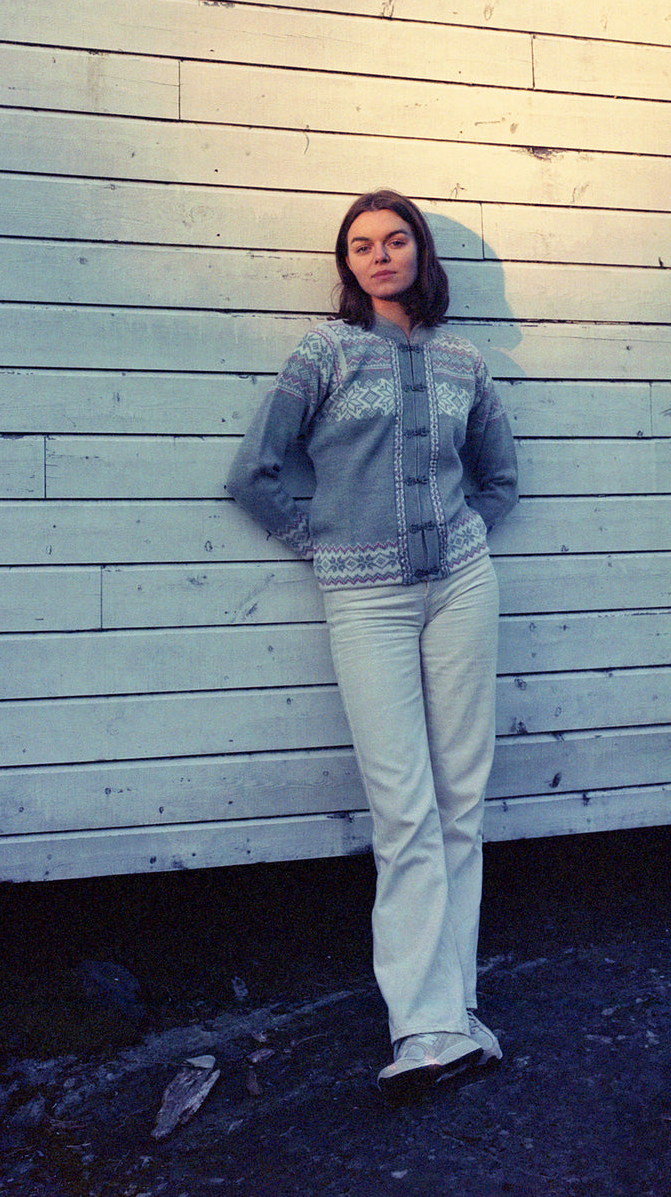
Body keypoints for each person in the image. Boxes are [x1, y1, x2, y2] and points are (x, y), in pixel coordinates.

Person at [227, 189, 518, 1103]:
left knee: (461, 800)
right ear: (347, 265)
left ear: (420, 255)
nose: (380, 256)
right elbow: (253, 474)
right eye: (362, 246)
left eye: (396, 241)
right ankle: (424, 1027)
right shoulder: (325, 352)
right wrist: (324, 545)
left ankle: (456, 1013)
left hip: (463, 587)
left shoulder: (465, 360)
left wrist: (467, 531)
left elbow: (499, 475)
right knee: (404, 810)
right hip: (367, 600)